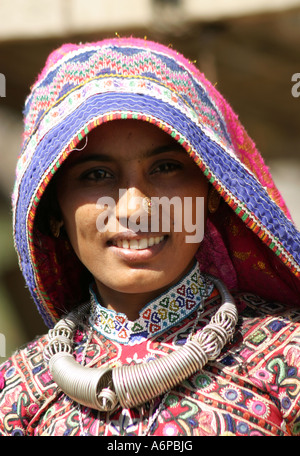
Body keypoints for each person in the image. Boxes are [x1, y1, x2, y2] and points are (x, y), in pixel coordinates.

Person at [0, 37, 299, 437]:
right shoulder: (17, 395)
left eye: (166, 167)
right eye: (97, 175)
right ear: (52, 210)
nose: (135, 209)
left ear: (212, 191)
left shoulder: (287, 360)